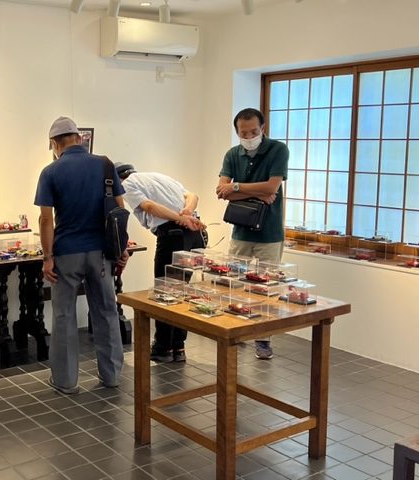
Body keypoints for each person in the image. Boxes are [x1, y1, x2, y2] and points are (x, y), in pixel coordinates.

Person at [34, 116, 129, 394]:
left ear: (54, 144)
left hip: (66, 254)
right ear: (79, 138)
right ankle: (111, 376)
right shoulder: (105, 165)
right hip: (101, 253)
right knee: (106, 312)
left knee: (64, 316)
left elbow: (46, 220)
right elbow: (120, 210)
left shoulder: (50, 172)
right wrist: (122, 249)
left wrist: (47, 257)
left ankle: (65, 381)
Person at [216, 107, 289, 360]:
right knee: (233, 281)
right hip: (241, 229)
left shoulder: (278, 149)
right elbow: (222, 191)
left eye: (253, 132)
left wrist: (236, 187)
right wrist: (257, 192)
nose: (249, 137)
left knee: (266, 285)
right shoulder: (232, 154)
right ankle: (235, 329)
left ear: (263, 128)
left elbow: (272, 187)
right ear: (237, 131)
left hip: (270, 232)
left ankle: (263, 339)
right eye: (243, 133)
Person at [115, 163, 205, 363]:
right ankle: (179, 346)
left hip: (173, 235)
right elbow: (193, 196)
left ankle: (163, 348)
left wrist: (181, 218)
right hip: (194, 236)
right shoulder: (158, 176)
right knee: (181, 292)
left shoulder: (127, 184)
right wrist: (187, 213)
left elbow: (149, 207)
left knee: (165, 292)